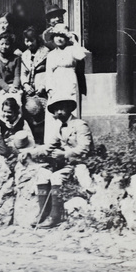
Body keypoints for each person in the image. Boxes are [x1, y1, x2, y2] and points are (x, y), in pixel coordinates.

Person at [19, 95, 94, 228]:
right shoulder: (60, 128)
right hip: (65, 164)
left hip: (79, 163)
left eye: (62, 108)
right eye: (56, 110)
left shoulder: (80, 125)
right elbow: (47, 148)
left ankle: (54, 216)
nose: (59, 112)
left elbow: (85, 148)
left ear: (69, 109)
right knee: (42, 174)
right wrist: (28, 152)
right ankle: (42, 213)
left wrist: (65, 154)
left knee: (55, 176)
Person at [42, 3, 88, 106]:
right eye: (53, 17)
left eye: (59, 16)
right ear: (48, 21)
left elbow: (78, 55)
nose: (57, 19)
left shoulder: (70, 36)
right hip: (53, 76)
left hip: (70, 76)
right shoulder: (46, 37)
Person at [44, 23, 90, 118]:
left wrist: (74, 41)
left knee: (70, 107)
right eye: (56, 36)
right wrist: (49, 88)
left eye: (62, 36)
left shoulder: (72, 50)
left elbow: (81, 56)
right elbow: (48, 73)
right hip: (56, 84)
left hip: (70, 82)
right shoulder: (51, 54)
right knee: (57, 108)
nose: (59, 39)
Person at [20, 26, 50, 142]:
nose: (29, 44)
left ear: (37, 39)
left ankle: (45, 139)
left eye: (31, 40)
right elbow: (23, 73)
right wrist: (26, 85)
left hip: (42, 89)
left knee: (44, 111)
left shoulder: (46, 53)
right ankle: (34, 139)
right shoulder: (25, 55)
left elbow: (49, 72)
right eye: (26, 41)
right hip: (29, 90)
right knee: (30, 109)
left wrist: (43, 86)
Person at [0, 32, 21, 96]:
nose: (4, 46)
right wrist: (7, 88)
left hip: (13, 86)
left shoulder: (16, 58)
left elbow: (17, 76)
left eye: (7, 44)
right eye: (2, 44)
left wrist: (14, 87)